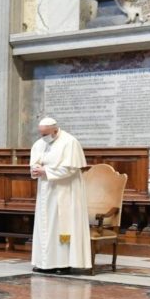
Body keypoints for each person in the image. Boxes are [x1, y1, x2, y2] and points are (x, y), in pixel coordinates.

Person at [30, 117, 91, 274]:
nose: (43, 137)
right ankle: (44, 263)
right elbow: (35, 163)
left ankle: (63, 263)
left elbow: (70, 169)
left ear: (55, 130)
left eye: (46, 133)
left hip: (65, 192)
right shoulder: (40, 143)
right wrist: (36, 168)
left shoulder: (69, 142)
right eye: (41, 133)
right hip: (45, 191)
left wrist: (46, 171)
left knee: (62, 227)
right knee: (45, 226)